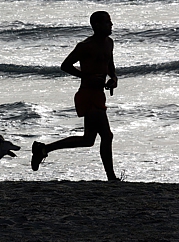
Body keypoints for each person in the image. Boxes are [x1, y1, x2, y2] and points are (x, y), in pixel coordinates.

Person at [31, 11, 121, 181]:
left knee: (88, 140)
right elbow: (65, 65)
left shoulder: (109, 43)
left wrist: (114, 79)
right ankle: (111, 177)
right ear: (96, 25)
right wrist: (87, 76)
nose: (111, 25)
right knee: (107, 136)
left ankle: (43, 149)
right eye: (108, 22)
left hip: (100, 94)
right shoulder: (85, 46)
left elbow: (110, 65)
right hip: (87, 95)